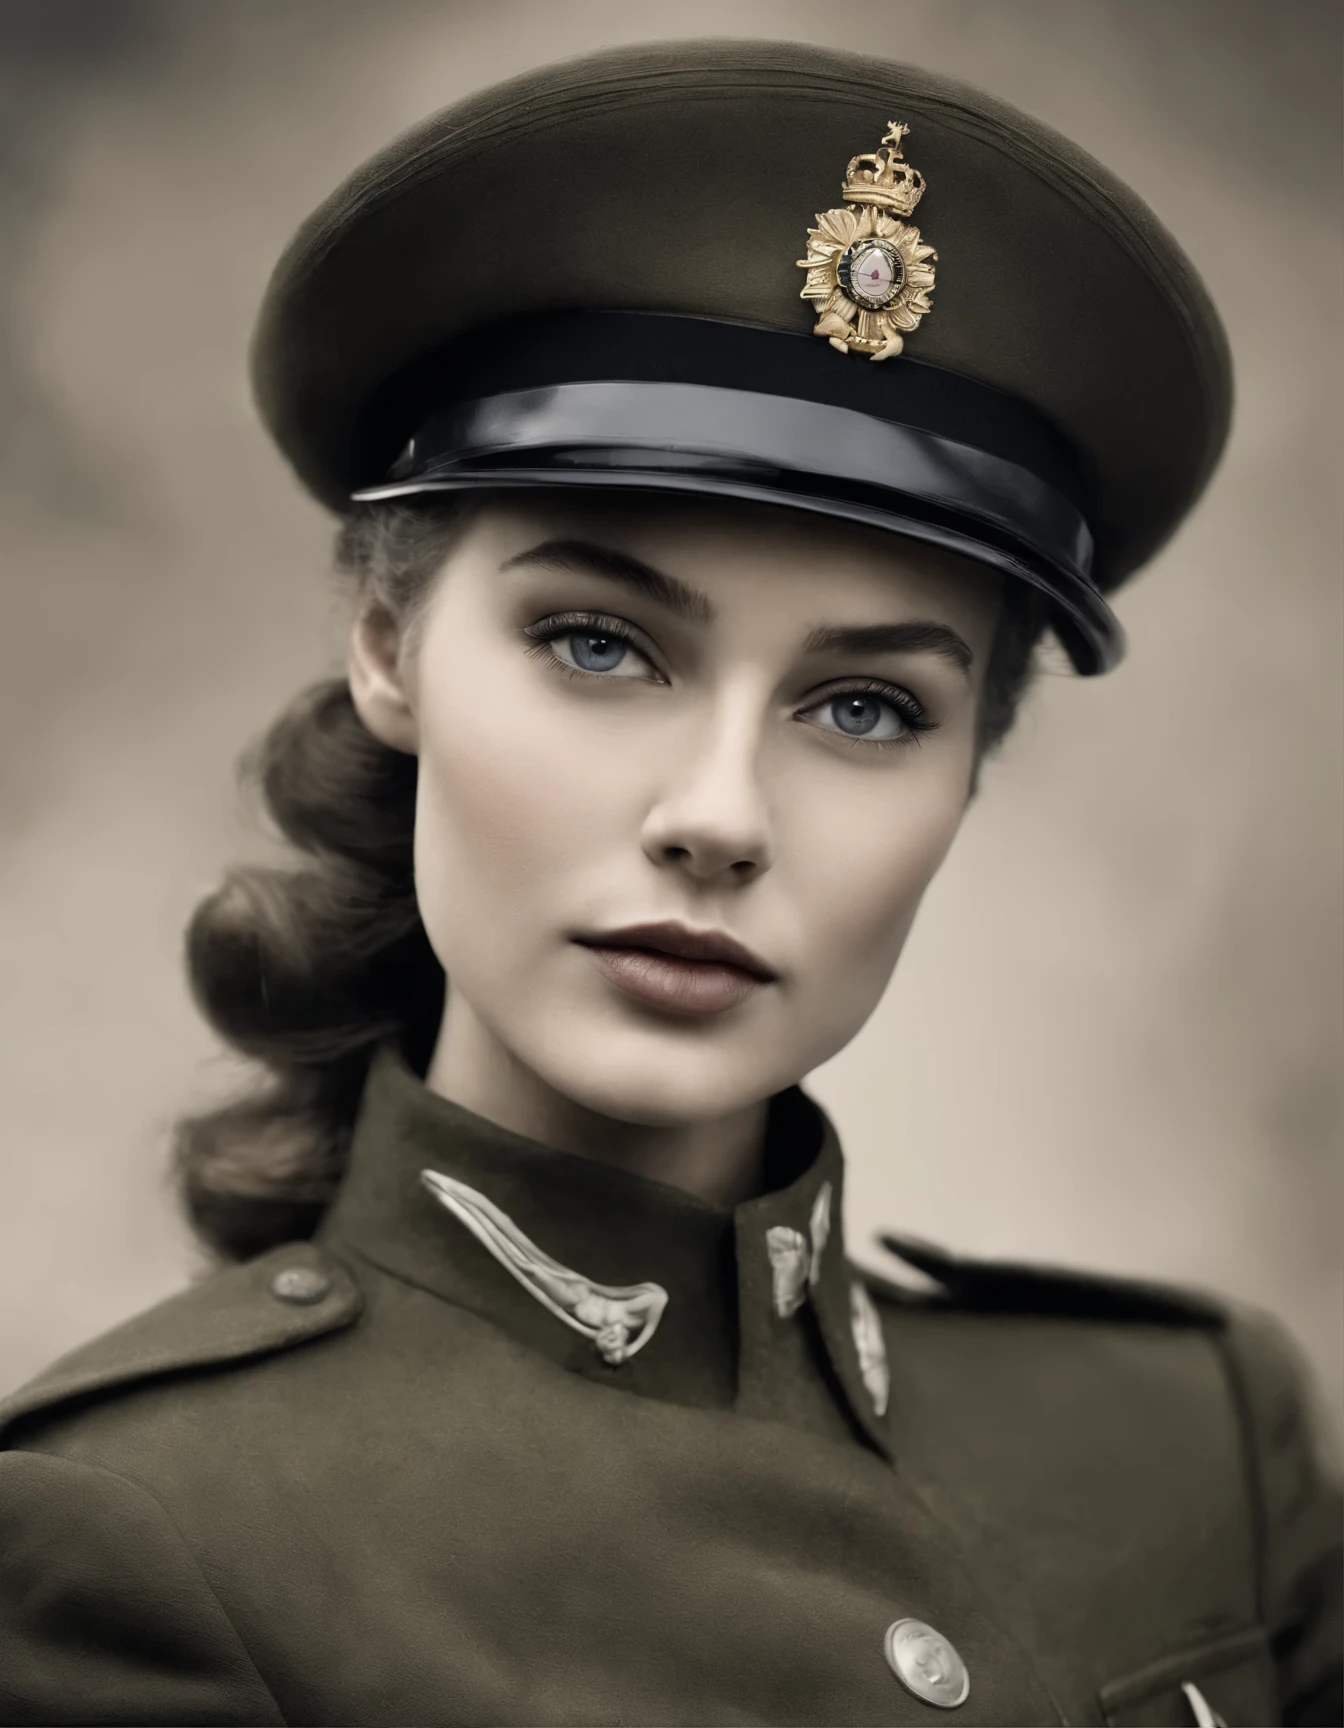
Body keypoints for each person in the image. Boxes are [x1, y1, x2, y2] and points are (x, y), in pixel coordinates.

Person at [0, 38, 1338, 1728]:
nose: (719, 817)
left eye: (867, 707)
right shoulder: (146, 1533)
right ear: (390, 647)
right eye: (598, 643)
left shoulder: (1198, 1443)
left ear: (968, 771)